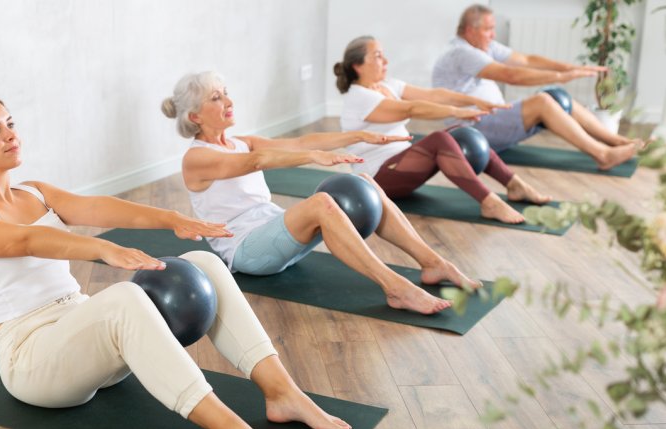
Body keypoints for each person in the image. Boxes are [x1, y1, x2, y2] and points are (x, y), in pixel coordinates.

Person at [0, 95, 351, 429]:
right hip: (33, 362)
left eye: (11, 123)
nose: (11, 135)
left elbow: (102, 207)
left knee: (201, 263)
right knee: (122, 297)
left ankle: (283, 393)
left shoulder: (36, 192)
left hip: (89, 341)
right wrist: (101, 250)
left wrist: (173, 219)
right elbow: (25, 240)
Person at [163, 71, 485, 316]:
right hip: (246, 250)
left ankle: (434, 263)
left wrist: (357, 135)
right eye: (216, 98)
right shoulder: (196, 159)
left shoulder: (241, 140)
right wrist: (313, 158)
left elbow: (303, 141)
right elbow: (255, 161)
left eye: (226, 94)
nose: (229, 102)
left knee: (366, 184)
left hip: (275, 232)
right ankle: (397, 288)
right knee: (321, 204)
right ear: (194, 117)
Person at [334, 35, 552, 224]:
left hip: (404, 164)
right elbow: (410, 108)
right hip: (378, 177)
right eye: (378, 56)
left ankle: (515, 185)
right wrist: (455, 111)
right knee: (439, 139)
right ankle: (489, 203)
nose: (385, 60)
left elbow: (434, 95)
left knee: (461, 133)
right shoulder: (359, 97)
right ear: (357, 65)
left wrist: (475, 101)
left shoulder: (388, 85)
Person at [432, 4, 645, 170]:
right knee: (543, 101)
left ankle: (617, 142)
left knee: (556, 95)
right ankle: (603, 155)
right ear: (471, 29)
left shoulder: (482, 45)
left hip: (493, 119)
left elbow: (525, 60)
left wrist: (570, 68)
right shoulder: (462, 53)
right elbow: (510, 75)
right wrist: (561, 76)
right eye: (488, 29)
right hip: (473, 129)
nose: (493, 35)